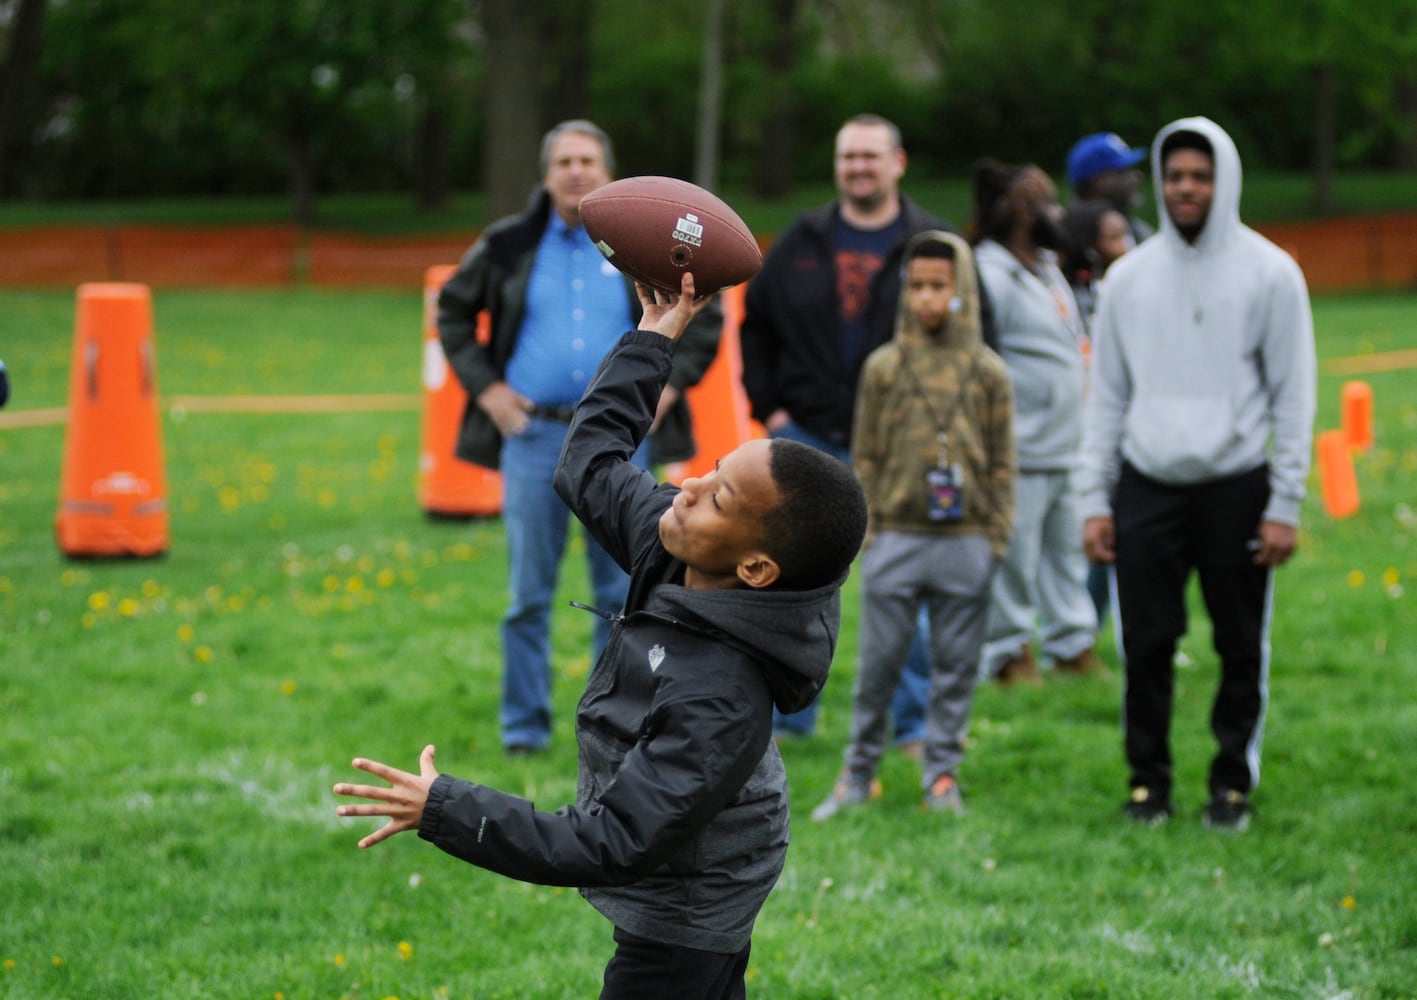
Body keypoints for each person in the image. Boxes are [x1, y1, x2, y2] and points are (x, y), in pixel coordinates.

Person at [336, 272, 869, 998]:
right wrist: (653, 340)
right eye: (709, 469)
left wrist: (447, 809)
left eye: (720, 497)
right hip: (679, 864)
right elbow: (587, 461)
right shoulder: (680, 550)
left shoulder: (720, 698)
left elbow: (610, 841)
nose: (686, 487)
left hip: (687, 908)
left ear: (753, 565)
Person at [437, 119, 722, 755]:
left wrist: (666, 390)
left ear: (608, 171)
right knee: (527, 596)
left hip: (622, 441)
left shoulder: (639, 241)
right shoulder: (510, 243)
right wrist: (487, 390)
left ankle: (616, 725)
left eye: (588, 159)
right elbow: (452, 309)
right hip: (534, 436)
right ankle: (523, 733)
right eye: (564, 160)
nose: (576, 170)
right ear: (546, 175)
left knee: (624, 593)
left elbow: (706, 309)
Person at [1077, 117, 1316, 830]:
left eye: (1200, 176)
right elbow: (1108, 395)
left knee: (1239, 644)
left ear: (1224, 181)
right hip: (1146, 483)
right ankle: (1147, 784)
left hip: (1237, 485)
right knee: (1145, 643)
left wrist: (1285, 503)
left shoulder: (1270, 272)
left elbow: (1294, 394)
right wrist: (1095, 496)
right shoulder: (1127, 279)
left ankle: (1230, 785)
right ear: (1159, 181)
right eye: (1175, 176)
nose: (1186, 188)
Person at [740, 112, 985, 744]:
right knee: (793, 582)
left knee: (906, 585)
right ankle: (791, 723)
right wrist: (772, 411)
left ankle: (910, 729)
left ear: (897, 163)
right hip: (810, 436)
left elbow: (979, 344)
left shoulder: (934, 243)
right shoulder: (802, 241)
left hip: (904, 445)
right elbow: (756, 327)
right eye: (849, 157)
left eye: (871, 157)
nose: (859, 167)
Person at [812, 231, 1014, 820]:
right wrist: (868, 538)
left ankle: (942, 774)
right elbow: (865, 457)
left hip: (967, 540)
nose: (927, 298)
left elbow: (1004, 463)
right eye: (918, 286)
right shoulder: (884, 368)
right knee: (878, 666)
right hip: (895, 538)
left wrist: (995, 537)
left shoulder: (988, 372)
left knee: (955, 668)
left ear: (962, 292)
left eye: (940, 287)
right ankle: (857, 773)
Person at [970, 159, 1101, 684]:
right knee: (1015, 562)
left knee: (1066, 556)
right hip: (1018, 446)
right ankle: (1006, 654)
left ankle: (1072, 645)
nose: (1059, 212)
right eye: (1047, 202)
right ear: (1022, 212)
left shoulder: (1048, 266)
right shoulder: (987, 271)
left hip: (1067, 442)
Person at [1060, 197, 1136, 627]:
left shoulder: (1134, 287)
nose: (1125, 244)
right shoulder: (1068, 296)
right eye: (1113, 237)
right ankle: (1081, 627)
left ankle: (1101, 625)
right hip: (1083, 432)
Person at [1066, 132, 1155, 245]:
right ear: (1099, 182)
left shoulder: (1138, 230)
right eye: (1124, 171)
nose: (1137, 176)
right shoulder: (1066, 239)